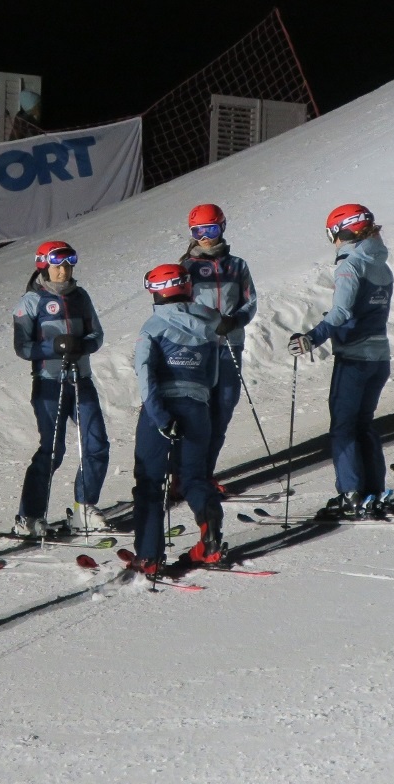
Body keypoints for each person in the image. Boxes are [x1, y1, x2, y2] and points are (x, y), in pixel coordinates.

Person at [288, 203, 394, 519]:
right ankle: (374, 491)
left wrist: (311, 337)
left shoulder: (350, 265)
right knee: (364, 424)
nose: (333, 242)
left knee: (344, 428)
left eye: (332, 235)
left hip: (354, 358)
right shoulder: (380, 263)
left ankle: (351, 494)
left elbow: (342, 312)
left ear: (342, 231)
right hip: (379, 355)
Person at [12, 241, 110, 535]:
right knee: (52, 450)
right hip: (48, 383)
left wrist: (83, 345)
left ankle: (84, 508)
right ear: (43, 266)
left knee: (96, 444)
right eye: (57, 265)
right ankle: (29, 516)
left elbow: (97, 334)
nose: (64, 271)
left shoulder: (80, 296)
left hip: (81, 380)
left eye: (68, 265)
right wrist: (53, 346)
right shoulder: (30, 302)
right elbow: (22, 347)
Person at [131, 263, 224, 573]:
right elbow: (211, 377)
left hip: (162, 407)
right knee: (194, 477)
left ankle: (149, 557)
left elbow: (145, 374)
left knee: (150, 483)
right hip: (198, 406)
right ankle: (209, 542)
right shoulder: (209, 323)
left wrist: (159, 416)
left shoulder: (153, 326)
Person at [179, 204, 258, 490]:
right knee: (195, 410)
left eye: (210, 229)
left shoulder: (237, 265)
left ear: (222, 227)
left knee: (223, 406)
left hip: (229, 345)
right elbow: (179, 308)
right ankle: (182, 476)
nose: (205, 237)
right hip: (198, 348)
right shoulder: (186, 267)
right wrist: (203, 328)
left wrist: (235, 320)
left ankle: (204, 474)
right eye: (198, 231)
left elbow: (250, 301)